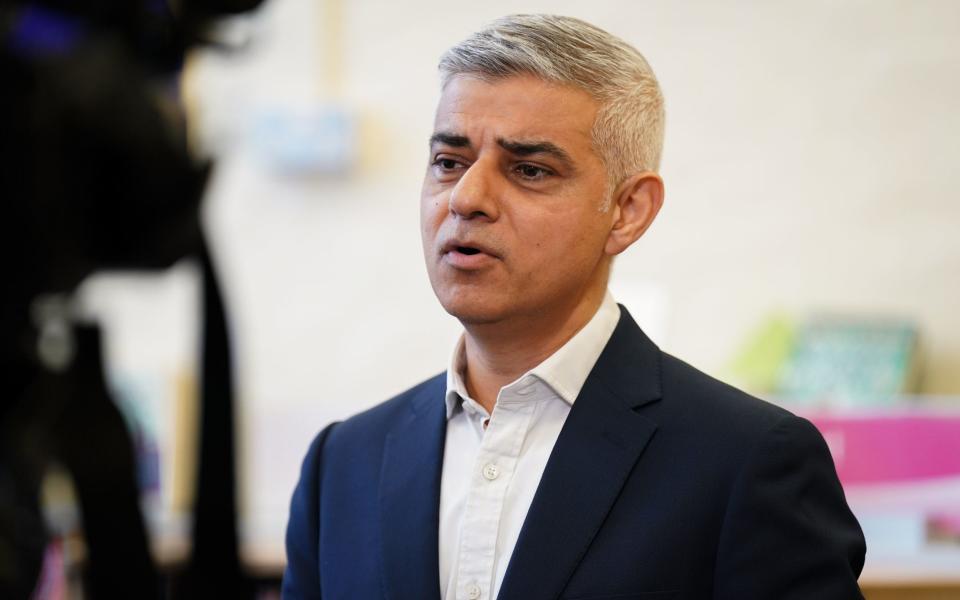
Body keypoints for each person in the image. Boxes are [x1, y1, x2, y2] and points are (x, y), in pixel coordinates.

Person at [283, 14, 866, 600]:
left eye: (529, 169)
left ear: (628, 210)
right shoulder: (344, 465)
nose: (466, 198)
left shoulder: (748, 462)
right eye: (449, 161)